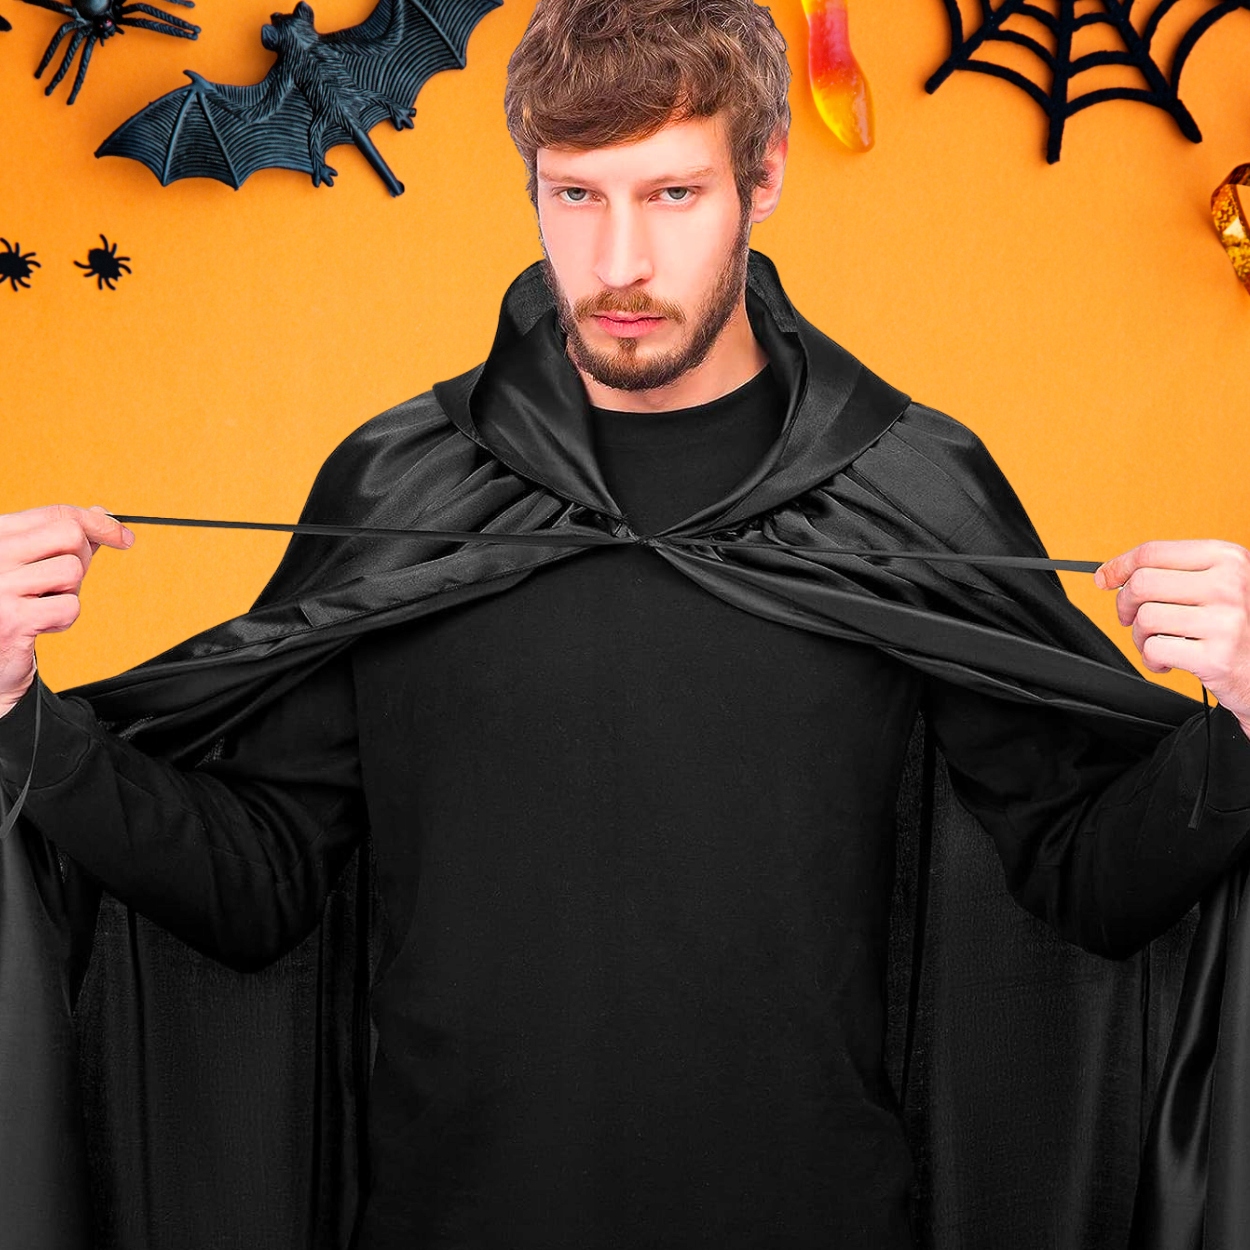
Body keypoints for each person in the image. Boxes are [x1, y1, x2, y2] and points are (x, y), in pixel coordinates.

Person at [1, 0, 1249, 1247]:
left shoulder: (902, 481)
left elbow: (1088, 879)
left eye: (671, 194)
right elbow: (254, 880)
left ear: (763, 178)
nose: (617, 265)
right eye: (575, 196)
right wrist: (17, 710)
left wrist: (1244, 715)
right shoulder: (401, 481)